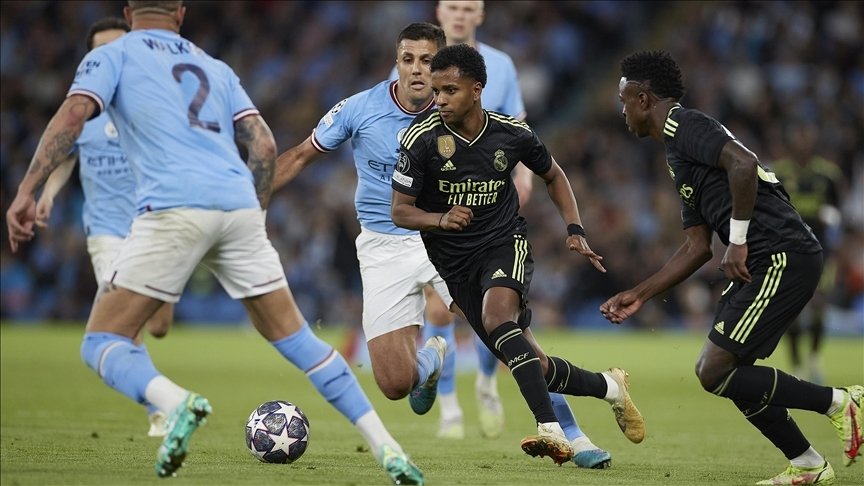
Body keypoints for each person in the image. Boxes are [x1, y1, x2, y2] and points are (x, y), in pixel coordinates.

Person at [5, 2, 424, 484]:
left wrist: (26, 189)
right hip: (237, 201)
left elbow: (74, 114)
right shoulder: (212, 64)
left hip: (174, 205)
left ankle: (174, 402)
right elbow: (263, 144)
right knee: (299, 342)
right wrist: (254, 214)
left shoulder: (113, 54)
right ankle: (388, 449)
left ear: (127, 12)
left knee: (102, 340)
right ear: (181, 13)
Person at [602, 49, 863, 485]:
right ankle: (807, 464)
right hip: (761, 260)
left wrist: (738, 241)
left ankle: (840, 402)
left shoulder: (684, 124)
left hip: (781, 253)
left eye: (624, 97)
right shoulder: (675, 152)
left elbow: (744, 163)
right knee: (725, 372)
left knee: (716, 368)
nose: (621, 108)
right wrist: (640, 293)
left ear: (644, 98)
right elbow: (697, 246)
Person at [391, 43, 646, 466]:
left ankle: (551, 430)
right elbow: (399, 210)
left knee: (498, 319)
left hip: (504, 241)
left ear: (477, 89)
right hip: (455, 266)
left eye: (450, 90)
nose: (439, 100)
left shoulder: (512, 134)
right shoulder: (420, 139)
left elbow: (554, 174)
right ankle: (611, 387)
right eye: (436, 91)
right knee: (532, 362)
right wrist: (439, 220)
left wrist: (574, 228)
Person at [389, 0, 562, 451]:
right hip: (434, 201)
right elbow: (406, 127)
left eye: (469, 7)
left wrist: (522, 175)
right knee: (439, 309)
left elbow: (516, 128)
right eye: (453, 7)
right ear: (440, 14)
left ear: (480, 15)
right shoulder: (419, 64)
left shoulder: (499, 65)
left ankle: (489, 381)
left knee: (498, 316)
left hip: (490, 199)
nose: (461, 14)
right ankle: (449, 407)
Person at [273, 20, 450, 431]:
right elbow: (300, 156)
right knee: (393, 384)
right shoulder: (359, 109)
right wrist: (249, 197)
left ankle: (566, 431)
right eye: (409, 59)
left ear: (440, 66)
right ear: (397, 64)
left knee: (498, 326)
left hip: (440, 236)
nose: (417, 69)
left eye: (427, 60)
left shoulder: (456, 116)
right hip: (382, 244)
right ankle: (431, 360)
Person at [33, 16, 173, 439]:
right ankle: (160, 407)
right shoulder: (82, 110)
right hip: (106, 232)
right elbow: (66, 158)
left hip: (152, 225)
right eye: (102, 50)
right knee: (120, 324)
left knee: (159, 326)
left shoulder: (151, 103)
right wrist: (49, 192)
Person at [771, 122, 844, 385]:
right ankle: (797, 364)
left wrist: (831, 217)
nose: (803, 142)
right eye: (798, 136)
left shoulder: (828, 175)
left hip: (821, 250)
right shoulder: (777, 172)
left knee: (819, 305)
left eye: (807, 137)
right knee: (792, 309)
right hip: (788, 249)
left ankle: (813, 358)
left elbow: (838, 210)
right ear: (791, 141)